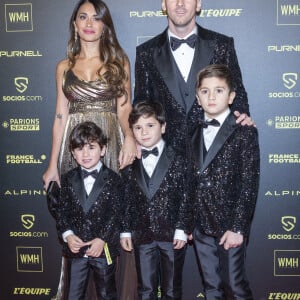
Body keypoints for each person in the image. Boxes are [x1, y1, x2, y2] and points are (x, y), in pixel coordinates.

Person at [42, 1, 137, 299]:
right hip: (74, 145)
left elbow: (124, 108)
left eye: (96, 18)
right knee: (77, 215)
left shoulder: (119, 61)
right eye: (83, 16)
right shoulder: (63, 67)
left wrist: (131, 138)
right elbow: (60, 116)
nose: (89, 22)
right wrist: (52, 163)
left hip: (109, 142)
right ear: (74, 24)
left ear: (105, 25)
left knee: (110, 215)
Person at [133, 0, 252, 155]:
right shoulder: (146, 52)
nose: (180, 3)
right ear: (164, 5)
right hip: (167, 159)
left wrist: (241, 116)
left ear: (198, 4)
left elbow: (237, 93)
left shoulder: (222, 45)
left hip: (214, 155)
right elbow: (142, 103)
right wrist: (136, 137)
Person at [190, 64, 260, 299]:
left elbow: (249, 183)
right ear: (197, 97)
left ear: (231, 97)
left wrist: (238, 227)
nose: (211, 97)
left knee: (235, 286)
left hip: (229, 225)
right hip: (200, 226)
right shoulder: (191, 132)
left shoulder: (244, 131)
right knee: (211, 288)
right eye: (205, 91)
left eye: (219, 91)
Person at [120, 101, 194, 300]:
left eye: (150, 125)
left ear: (163, 126)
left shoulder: (179, 159)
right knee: (145, 289)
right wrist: (125, 230)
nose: (144, 132)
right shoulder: (129, 165)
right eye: (138, 128)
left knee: (171, 289)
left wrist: (182, 228)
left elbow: (186, 195)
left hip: (172, 235)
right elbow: (126, 201)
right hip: (142, 235)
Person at [54, 121, 123, 300]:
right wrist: (68, 235)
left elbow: (115, 214)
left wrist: (102, 239)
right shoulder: (68, 179)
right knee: (73, 294)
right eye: (79, 148)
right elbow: (62, 211)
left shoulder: (114, 179)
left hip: (103, 248)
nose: (85, 154)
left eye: (91, 147)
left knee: (107, 293)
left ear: (103, 149)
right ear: (72, 153)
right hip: (76, 250)